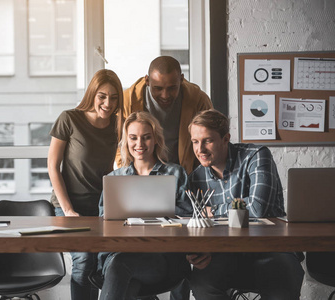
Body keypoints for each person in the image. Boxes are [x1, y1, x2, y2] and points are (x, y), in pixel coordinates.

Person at [186, 109, 304, 300]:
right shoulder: (195, 179)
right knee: (201, 284)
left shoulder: (256, 155)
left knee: (283, 283)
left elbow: (258, 208)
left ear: (226, 138)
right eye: (195, 142)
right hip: (225, 253)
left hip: (272, 249)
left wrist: (214, 210)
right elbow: (202, 226)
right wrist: (201, 250)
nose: (200, 149)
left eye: (207, 140)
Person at [97, 111, 192, 300]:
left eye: (146, 137)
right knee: (127, 283)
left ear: (156, 139)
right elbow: (104, 224)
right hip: (118, 253)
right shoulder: (114, 178)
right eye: (133, 138)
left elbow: (187, 222)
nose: (139, 144)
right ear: (126, 141)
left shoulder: (175, 173)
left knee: (121, 266)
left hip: (160, 259)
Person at [47, 69, 124, 300]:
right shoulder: (69, 119)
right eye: (102, 96)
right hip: (68, 205)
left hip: (100, 206)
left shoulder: (117, 125)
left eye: (113, 97)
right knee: (83, 261)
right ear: (92, 94)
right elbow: (53, 166)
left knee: (109, 261)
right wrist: (69, 210)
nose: (107, 103)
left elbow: (115, 167)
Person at [120, 55, 213, 174]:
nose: (165, 95)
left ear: (181, 79)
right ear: (147, 81)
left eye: (172, 88)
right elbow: (119, 143)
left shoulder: (198, 100)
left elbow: (209, 140)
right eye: (158, 88)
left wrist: (197, 177)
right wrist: (128, 173)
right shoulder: (128, 101)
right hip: (141, 175)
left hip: (186, 174)